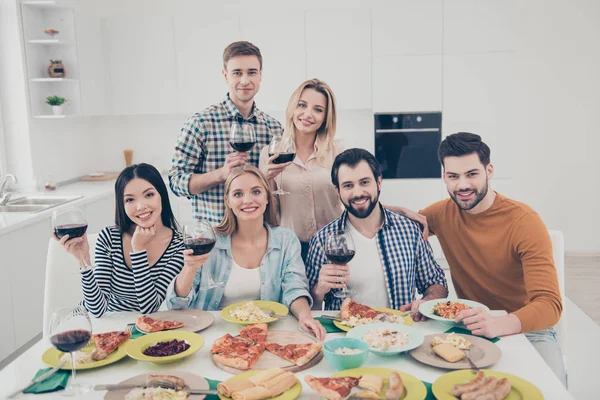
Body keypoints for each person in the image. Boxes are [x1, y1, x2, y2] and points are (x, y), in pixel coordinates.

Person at [401, 132, 566, 385]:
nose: (462, 185)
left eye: (471, 174)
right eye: (453, 176)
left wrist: (499, 324)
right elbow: (389, 223)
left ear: (489, 171)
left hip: (529, 329)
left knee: (550, 391)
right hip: (469, 327)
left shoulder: (524, 222)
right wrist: (401, 210)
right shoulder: (440, 213)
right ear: (444, 176)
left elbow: (550, 304)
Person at [260, 79, 426, 262]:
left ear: (325, 117)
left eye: (318, 109)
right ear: (293, 107)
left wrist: (400, 211)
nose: (308, 114)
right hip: (290, 250)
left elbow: (352, 199)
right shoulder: (270, 153)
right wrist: (265, 179)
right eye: (302, 105)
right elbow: (270, 215)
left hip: (334, 244)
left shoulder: (337, 151)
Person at [166, 165, 326, 340]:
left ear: (267, 196)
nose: (247, 200)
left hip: (269, 334)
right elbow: (175, 305)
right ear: (228, 201)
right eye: (238, 194)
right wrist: (189, 269)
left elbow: (294, 288)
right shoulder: (209, 241)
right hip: (214, 335)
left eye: (256, 192)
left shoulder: (286, 239)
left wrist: (305, 316)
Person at [305, 148, 448, 312]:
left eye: (364, 182)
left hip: (399, 332)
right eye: (348, 185)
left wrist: (427, 301)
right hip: (345, 334)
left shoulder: (409, 230)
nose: (358, 192)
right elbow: (311, 306)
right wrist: (318, 291)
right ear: (338, 191)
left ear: (379, 183)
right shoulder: (323, 240)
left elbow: (435, 281)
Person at [55, 163, 198, 318]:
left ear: (162, 195)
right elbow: (96, 310)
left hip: (142, 326)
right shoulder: (110, 238)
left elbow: (149, 307)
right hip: (99, 322)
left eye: (149, 195)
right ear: (122, 205)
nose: (141, 206)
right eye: (130, 199)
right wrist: (84, 260)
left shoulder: (179, 245)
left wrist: (138, 250)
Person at [170, 41, 283, 225]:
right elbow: (176, 183)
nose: (245, 80)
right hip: (214, 240)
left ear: (260, 76)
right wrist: (221, 174)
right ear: (225, 76)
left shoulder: (273, 129)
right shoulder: (200, 124)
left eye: (252, 72)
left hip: (259, 239)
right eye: (237, 73)